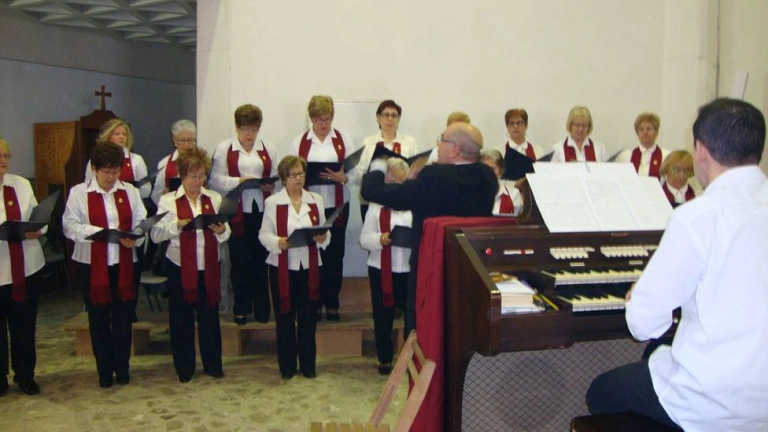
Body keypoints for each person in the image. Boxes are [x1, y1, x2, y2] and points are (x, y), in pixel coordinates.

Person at [585, 98, 768, 431]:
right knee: (657, 352)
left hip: (714, 402)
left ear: (700, 150)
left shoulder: (696, 216)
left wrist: (639, 295)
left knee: (600, 392)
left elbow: (644, 324)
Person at [362, 122, 497, 334]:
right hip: (470, 268)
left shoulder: (435, 177)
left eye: (442, 140)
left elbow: (373, 191)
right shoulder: (487, 176)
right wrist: (417, 184)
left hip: (432, 269)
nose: (438, 145)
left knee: (421, 324)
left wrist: (379, 164)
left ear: (455, 149)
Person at [63, 142, 147, 388]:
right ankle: (104, 371)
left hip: (124, 263)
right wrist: (97, 233)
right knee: (98, 319)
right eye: (106, 172)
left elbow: (142, 222)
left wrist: (135, 237)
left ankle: (122, 367)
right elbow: (69, 225)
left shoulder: (130, 191)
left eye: (115, 171)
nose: (111, 177)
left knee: (123, 318)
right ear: (94, 169)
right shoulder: (79, 192)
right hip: (91, 264)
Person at [151, 147, 230, 383]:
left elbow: (226, 232)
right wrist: (176, 225)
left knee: (209, 318)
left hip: (208, 266)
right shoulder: (168, 201)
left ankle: (213, 364)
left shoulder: (214, 198)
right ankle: (184, 368)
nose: (198, 181)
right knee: (181, 319)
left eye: (202, 175)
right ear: (182, 175)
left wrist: (222, 230)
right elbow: (155, 235)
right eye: (193, 176)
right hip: (180, 266)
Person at [259, 155, 330, 379]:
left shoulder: (316, 199)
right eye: (293, 175)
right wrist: (278, 242)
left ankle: (308, 365)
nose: (298, 178)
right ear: (283, 178)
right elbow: (263, 234)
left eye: (301, 173)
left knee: (308, 318)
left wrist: (323, 238)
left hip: (310, 266)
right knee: (285, 318)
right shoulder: (273, 202)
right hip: (282, 266)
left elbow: (324, 230)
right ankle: (287, 366)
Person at [209, 104, 278, 325]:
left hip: (261, 210)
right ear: (237, 127)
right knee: (240, 262)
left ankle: (262, 309)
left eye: (254, 129)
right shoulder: (224, 148)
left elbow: (276, 176)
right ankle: (241, 308)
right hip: (237, 211)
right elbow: (215, 180)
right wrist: (239, 181)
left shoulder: (268, 148)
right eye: (245, 129)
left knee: (261, 260)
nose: (249, 134)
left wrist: (269, 185)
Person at [290, 95, 355, 322]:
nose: (323, 124)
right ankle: (314, 303)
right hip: (309, 206)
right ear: (311, 118)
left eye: (327, 119)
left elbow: (355, 171)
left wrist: (343, 177)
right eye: (319, 119)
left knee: (335, 255)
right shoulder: (299, 142)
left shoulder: (344, 139)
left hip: (337, 204)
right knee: (313, 255)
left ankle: (332, 303)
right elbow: (291, 171)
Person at [0, 138, 45, 396]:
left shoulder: (21, 184)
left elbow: (37, 216)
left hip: (27, 268)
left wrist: (38, 229)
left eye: (6, 156)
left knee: (24, 326)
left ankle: (25, 375)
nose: (3, 160)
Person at [359, 158, 412, 375]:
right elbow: (364, 239)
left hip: (408, 268)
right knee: (382, 316)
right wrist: (380, 239)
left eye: (399, 182)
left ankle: (410, 358)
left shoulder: (414, 204)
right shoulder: (375, 206)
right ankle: (384, 358)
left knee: (412, 317)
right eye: (390, 180)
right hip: (381, 267)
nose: (393, 186)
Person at [352, 100, 418, 220]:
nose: (390, 119)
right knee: (372, 231)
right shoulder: (368, 142)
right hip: (373, 200)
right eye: (386, 115)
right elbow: (359, 174)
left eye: (394, 115)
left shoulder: (409, 142)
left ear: (399, 119)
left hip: (400, 199)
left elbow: (414, 171)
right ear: (378, 118)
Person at [84, 119, 151, 199]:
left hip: (129, 202)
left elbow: (146, 189)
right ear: (108, 136)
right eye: (117, 134)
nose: (121, 137)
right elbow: (88, 185)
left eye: (124, 134)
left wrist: (128, 195)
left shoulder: (136, 159)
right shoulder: (95, 159)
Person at [150, 120, 197, 205]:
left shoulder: (203, 161)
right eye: (182, 141)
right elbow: (156, 195)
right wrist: (164, 196)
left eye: (190, 140)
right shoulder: (165, 163)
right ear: (174, 141)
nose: (186, 144)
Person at [615, 113, 669, 178]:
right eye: (641, 129)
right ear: (637, 133)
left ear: (656, 132)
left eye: (649, 129)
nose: (645, 132)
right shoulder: (626, 156)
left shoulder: (666, 156)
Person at [480, 149, 523, 216]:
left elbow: (519, 220)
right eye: (484, 168)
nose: (487, 172)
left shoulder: (514, 194)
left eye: (492, 169)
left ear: (501, 172)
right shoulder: (470, 194)